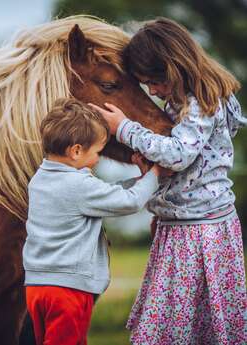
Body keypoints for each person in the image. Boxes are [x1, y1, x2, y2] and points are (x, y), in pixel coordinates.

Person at [90, 17, 247, 345]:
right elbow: (185, 167)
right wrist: (153, 178)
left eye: (154, 82)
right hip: (182, 225)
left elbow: (178, 155)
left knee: (174, 325)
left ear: (174, 66)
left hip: (201, 231)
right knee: (173, 321)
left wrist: (125, 129)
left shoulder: (202, 103)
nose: (154, 92)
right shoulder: (179, 103)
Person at [23, 98, 165, 345]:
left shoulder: (40, 179)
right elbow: (129, 202)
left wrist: (140, 179)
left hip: (37, 286)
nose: (99, 159)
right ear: (76, 150)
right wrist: (155, 175)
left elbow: (106, 194)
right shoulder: (79, 185)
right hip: (68, 288)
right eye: (97, 152)